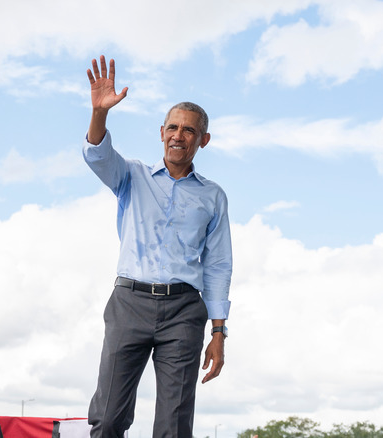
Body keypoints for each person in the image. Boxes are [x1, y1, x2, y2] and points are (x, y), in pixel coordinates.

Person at [83, 55, 232, 438]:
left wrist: (218, 332)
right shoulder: (130, 175)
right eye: (173, 127)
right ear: (161, 131)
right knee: (109, 418)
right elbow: (98, 155)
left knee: (174, 425)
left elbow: (217, 265)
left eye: (188, 130)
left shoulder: (213, 197)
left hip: (184, 310)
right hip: (129, 304)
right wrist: (100, 113)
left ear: (203, 140)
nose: (178, 135)